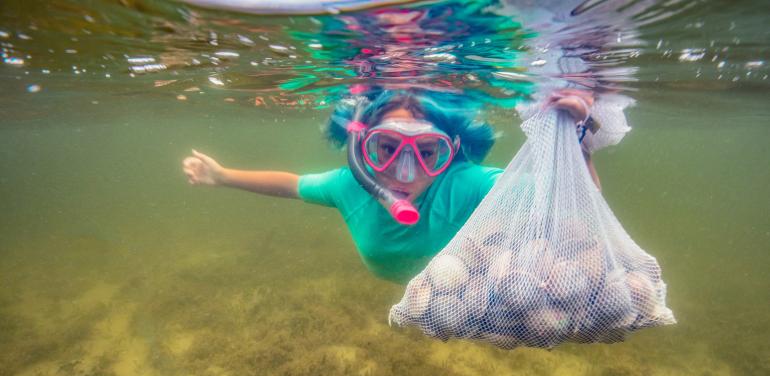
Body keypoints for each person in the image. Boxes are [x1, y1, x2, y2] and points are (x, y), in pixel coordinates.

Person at [182, 88, 597, 283]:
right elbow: (291, 184)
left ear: (450, 151)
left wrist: (581, 140)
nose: (404, 172)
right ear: (361, 146)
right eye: (387, 148)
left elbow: (578, 197)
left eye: (427, 152)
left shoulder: (467, 184)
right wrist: (222, 176)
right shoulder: (349, 185)